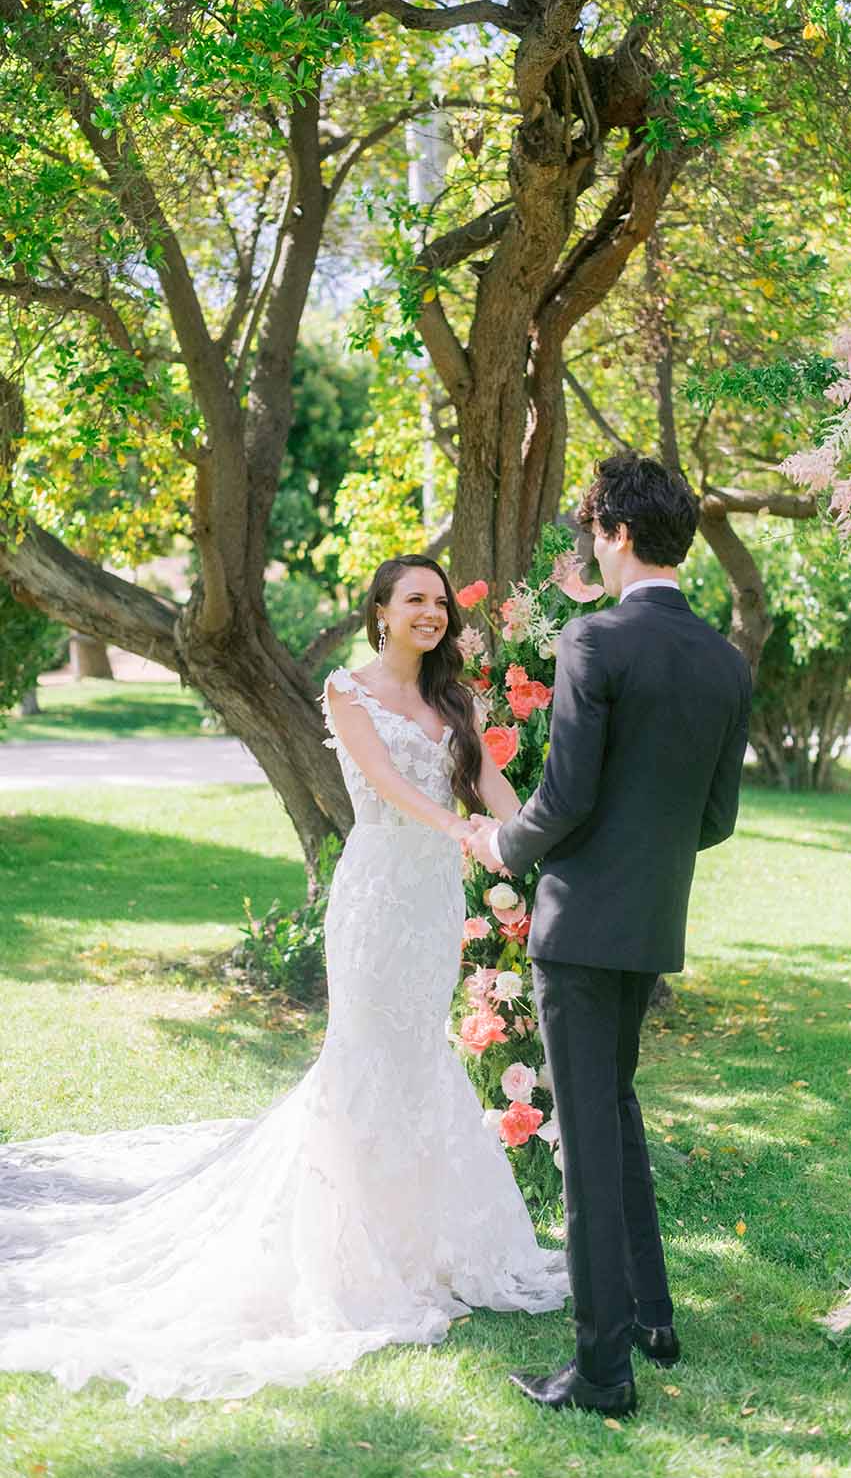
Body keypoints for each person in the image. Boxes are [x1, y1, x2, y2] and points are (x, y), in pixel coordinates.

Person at [0, 554, 567, 1404]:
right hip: (378, 896)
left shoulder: (459, 699)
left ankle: (428, 1241)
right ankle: (352, 1249)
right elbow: (382, 783)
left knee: (418, 1052)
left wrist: (526, 838)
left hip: (432, 905)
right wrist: (462, 830)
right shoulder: (349, 688)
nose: (431, 613)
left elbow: (489, 779)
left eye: (440, 603)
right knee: (366, 1055)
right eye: (414, 600)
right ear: (379, 611)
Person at [465, 453, 752, 1418]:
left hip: (581, 925)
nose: (592, 545)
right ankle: (652, 1319)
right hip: (650, 925)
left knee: (587, 1139)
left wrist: (504, 841)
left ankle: (600, 1370)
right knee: (615, 1111)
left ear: (618, 534)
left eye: (593, 529)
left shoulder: (593, 641)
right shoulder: (724, 659)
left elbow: (564, 797)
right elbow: (715, 819)